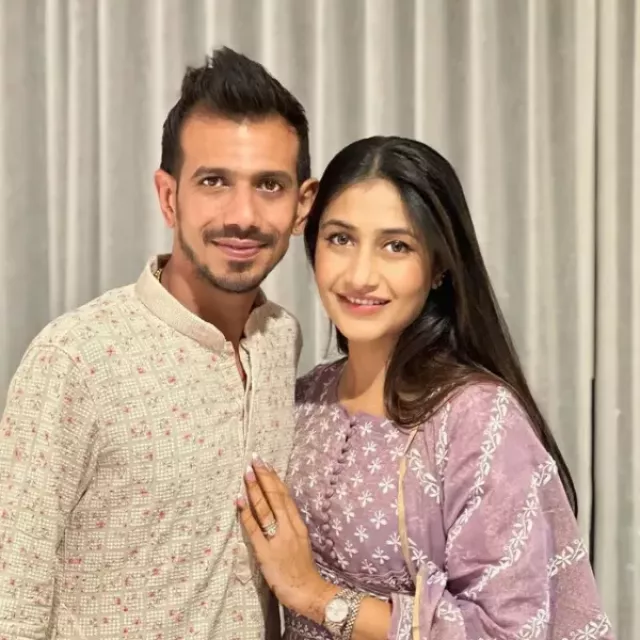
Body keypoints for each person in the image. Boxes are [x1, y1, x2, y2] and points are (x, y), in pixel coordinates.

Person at [238, 136, 614, 639]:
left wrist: (317, 596)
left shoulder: (475, 418)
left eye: (397, 246)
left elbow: (508, 630)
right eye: (340, 239)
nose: (360, 275)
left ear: (439, 267)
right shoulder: (302, 399)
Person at [0, 47, 317, 640]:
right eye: (214, 181)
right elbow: (10, 599)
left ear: (302, 206)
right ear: (169, 197)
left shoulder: (281, 339)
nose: (243, 214)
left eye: (269, 185)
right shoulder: (76, 360)